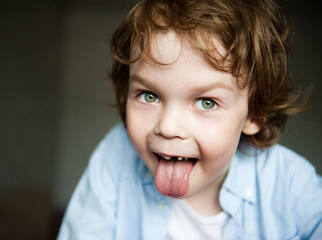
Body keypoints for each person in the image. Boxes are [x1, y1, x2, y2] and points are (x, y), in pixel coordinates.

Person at [57, 0, 322, 239]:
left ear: (255, 113)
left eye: (207, 102)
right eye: (149, 96)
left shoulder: (293, 189)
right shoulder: (114, 157)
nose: (168, 128)